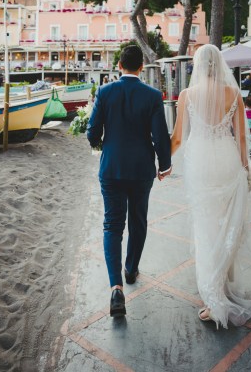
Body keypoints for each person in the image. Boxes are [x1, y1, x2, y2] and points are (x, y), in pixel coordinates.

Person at [171, 44, 251, 329]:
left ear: (197, 65)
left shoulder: (187, 95)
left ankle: (214, 298)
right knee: (227, 224)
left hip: (201, 164)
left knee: (206, 228)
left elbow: (179, 138)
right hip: (228, 160)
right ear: (219, 65)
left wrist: (160, 162)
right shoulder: (233, 93)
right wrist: (245, 168)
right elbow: (242, 137)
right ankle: (221, 285)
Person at [87, 45, 172, 317]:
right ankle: (132, 269)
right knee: (138, 221)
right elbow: (160, 135)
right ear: (141, 67)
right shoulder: (152, 95)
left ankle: (116, 288)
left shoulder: (105, 91)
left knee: (112, 225)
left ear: (120, 66)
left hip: (111, 168)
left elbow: (92, 132)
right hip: (140, 169)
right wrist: (165, 164)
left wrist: (102, 144)